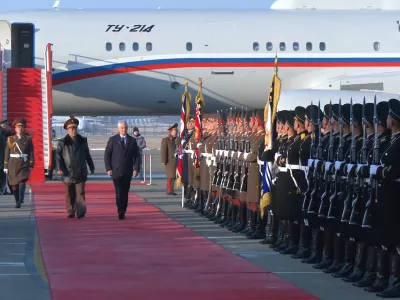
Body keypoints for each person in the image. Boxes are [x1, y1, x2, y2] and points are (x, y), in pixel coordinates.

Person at [56, 117, 95, 218]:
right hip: (67, 172)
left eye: (75, 128)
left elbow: (87, 155)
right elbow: (58, 157)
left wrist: (91, 166)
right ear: (67, 130)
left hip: (80, 171)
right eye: (71, 129)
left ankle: (81, 211)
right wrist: (60, 168)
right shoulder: (62, 142)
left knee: (80, 193)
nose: (73, 131)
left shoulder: (83, 141)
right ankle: (71, 211)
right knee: (69, 194)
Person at [104, 121, 140, 220]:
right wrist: (108, 168)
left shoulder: (132, 140)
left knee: (125, 192)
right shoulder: (113, 140)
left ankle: (123, 209)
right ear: (118, 129)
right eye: (122, 128)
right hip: (116, 171)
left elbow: (137, 156)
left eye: (125, 128)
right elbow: (107, 155)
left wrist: (136, 168)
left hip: (128, 171)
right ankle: (120, 210)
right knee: (119, 192)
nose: (124, 129)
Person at [3, 118, 34, 208]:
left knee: (22, 181)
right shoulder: (10, 139)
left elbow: (31, 152)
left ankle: (21, 199)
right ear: (15, 129)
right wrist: (5, 165)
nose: (20, 128)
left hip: (23, 163)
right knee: (14, 185)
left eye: (21, 127)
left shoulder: (28, 139)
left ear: (24, 128)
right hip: (12, 163)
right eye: (18, 127)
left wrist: (31, 163)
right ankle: (17, 200)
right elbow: (7, 153)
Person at [160, 123, 178, 195]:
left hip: (176, 160)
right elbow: (163, 151)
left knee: (174, 176)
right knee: (170, 176)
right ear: (171, 132)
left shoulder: (176, 140)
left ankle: (171, 189)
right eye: (175, 131)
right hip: (169, 161)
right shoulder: (166, 140)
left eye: (176, 131)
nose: (176, 133)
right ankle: (169, 190)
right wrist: (164, 160)